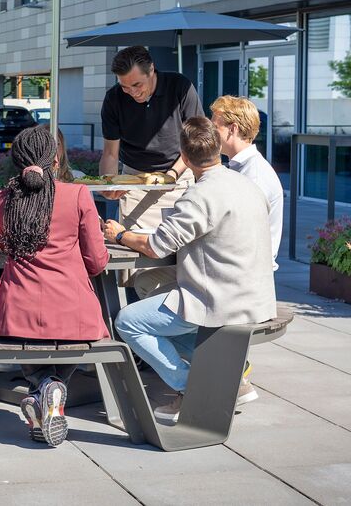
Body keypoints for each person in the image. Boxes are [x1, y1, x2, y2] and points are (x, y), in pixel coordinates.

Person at [105, 117, 276, 424]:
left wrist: (119, 235)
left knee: (128, 322)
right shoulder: (246, 184)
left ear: (183, 157)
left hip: (220, 300)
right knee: (152, 292)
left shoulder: (199, 195)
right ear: (218, 148)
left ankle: (190, 387)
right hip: (255, 296)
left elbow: (157, 246)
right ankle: (232, 379)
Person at [0, 125, 110, 447]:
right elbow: (97, 261)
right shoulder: (78, 194)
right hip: (73, 315)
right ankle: (49, 388)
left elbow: (4, 244)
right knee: (71, 336)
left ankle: (42, 388)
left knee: (31, 342)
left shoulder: (2, 200)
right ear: (55, 160)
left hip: (16, 315)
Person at [100, 45, 204, 299]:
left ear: (152, 71)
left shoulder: (180, 87)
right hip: (134, 178)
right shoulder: (114, 98)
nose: (132, 92)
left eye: (137, 85)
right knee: (134, 261)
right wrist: (108, 183)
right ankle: (137, 318)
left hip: (180, 172)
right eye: (125, 86)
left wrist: (171, 175)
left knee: (181, 254)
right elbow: (111, 153)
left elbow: (195, 143)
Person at [210, 95, 284, 270]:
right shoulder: (241, 167)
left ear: (232, 129)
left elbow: (241, 235)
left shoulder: (254, 176)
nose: (210, 134)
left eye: (215, 128)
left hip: (244, 273)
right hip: (238, 266)